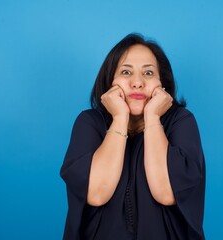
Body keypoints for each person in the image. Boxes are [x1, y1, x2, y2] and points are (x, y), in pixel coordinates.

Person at [60, 33, 206, 240]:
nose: (137, 82)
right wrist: (119, 117)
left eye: (148, 73)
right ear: (110, 80)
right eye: (126, 72)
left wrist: (153, 117)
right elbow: (96, 193)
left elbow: (166, 192)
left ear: (161, 83)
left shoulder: (181, 122)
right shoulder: (89, 123)